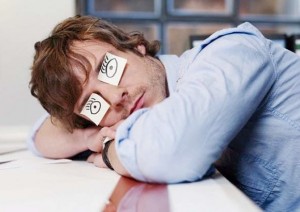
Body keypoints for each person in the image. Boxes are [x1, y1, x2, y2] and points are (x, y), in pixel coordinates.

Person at [28, 15, 300, 211]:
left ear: (135, 46)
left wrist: (110, 151)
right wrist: (91, 138)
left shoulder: (230, 52)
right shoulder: (116, 122)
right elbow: (40, 136)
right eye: (93, 103)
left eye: (108, 68)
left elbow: (171, 151)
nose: (114, 97)